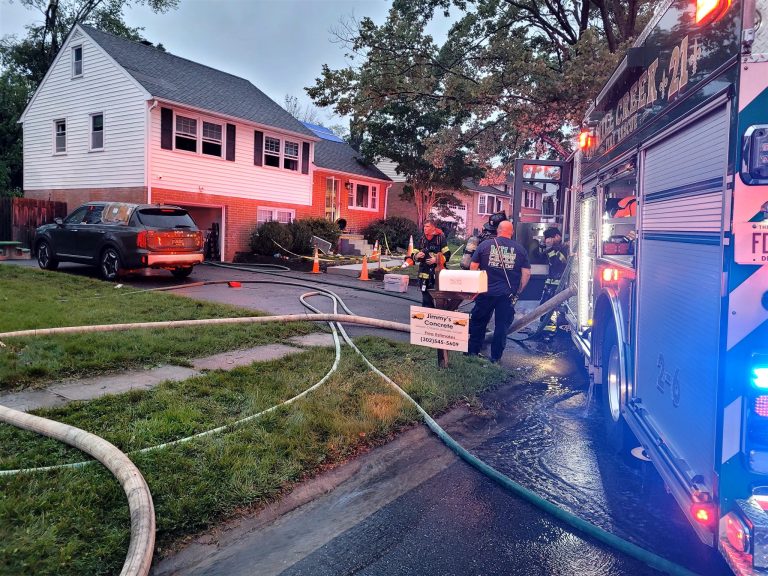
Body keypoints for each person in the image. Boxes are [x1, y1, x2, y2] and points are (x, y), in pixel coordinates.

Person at [467, 220, 531, 362]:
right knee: (502, 326)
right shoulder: (520, 249)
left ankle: (472, 353)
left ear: (498, 231)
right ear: (512, 232)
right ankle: (496, 358)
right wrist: (518, 291)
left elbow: (473, 267)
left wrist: (478, 285)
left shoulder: (485, 245)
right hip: (507, 295)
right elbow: (526, 274)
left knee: (479, 322)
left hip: (485, 293)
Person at [404, 219, 451, 308]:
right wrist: (417, 256)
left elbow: (447, 255)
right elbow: (413, 254)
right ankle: (428, 315)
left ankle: (442, 313)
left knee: (439, 296)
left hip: (436, 272)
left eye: (427, 226)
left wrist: (436, 259)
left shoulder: (440, 238)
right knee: (426, 296)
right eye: (424, 226)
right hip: (424, 272)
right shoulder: (422, 238)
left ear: (433, 227)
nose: (425, 228)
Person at [539, 227, 569, 335]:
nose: (547, 240)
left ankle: (551, 331)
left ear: (556, 236)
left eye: (549, 238)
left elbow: (557, 264)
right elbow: (541, 256)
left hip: (558, 284)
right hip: (551, 283)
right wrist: (549, 247)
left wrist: (551, 249)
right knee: (545, 307)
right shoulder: (555, 248)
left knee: (551, 307)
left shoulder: (563, 249)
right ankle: (545, 329)